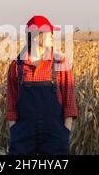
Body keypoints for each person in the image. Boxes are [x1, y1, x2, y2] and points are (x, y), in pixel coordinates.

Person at [5, 15, 78, 155]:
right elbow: (11, 105)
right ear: (35, 36)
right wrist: (15, 132)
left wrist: (65, 133)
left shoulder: (60, 63)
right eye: (48, 32)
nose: (52, 36)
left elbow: (70, 104)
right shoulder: (16, 66)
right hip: (23, 136)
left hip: (55, 136)